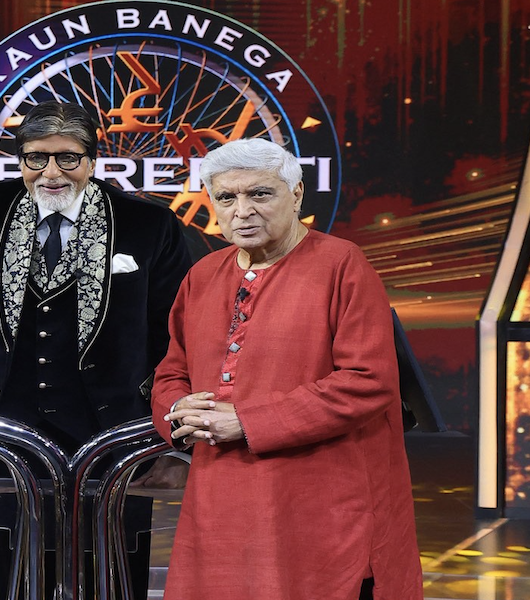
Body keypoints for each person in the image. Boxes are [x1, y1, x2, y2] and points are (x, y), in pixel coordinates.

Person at [0, 100, 192, 599]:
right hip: (8, 426)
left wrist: (174, 440)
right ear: (21, 160)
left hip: (118, 429)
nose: (51, 172)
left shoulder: (147, 223)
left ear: (92, 161)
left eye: (67, 158)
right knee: (18, 561)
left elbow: (181, 333)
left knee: (115, 565)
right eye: (36, 158)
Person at [152, 138, 422, 600]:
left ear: (296, 195)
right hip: (219, 495)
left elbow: (368, 381)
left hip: (320, 496)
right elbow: (170, 372)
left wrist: (247, 421)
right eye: (226, 198)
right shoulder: (203, 274)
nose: (242, 211)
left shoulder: (342, 264)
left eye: (260, 194)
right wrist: (178, 410)